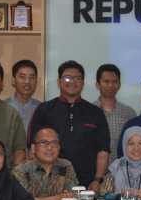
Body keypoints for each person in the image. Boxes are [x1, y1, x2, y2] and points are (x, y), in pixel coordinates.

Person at [30, 60, 110, 191]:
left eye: (77, 78)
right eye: (67, 77)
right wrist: (35, 180)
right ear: (58, 81)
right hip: (49, 182)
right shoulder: (44, 110)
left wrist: (97, 180)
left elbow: (103, 150)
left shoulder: (95, 113)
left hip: (87, 182)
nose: (72, 82)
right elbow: (33, 148)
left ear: (83, 83)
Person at [13, 127, 79, 200]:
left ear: (59, 147)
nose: (49, 147)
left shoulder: (65, 166)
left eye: (54, 143)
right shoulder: (21, 171)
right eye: (43, 143)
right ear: (33, 148)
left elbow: (73, 197)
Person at [92, 64, 136, 162]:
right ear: (97, 85)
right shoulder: (88, 111)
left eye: (115, 82)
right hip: (94, 173)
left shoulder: (129, 113)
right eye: (106, 81)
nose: (111, 85)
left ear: (119, 85)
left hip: (122, 172)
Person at [5, 60, 41, 156]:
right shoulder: (3, 107)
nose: (27, 81)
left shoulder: (42, 109)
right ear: (13, 80)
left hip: (35, 167)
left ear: (36, 81)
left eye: (32, 77)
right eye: (22, 77)